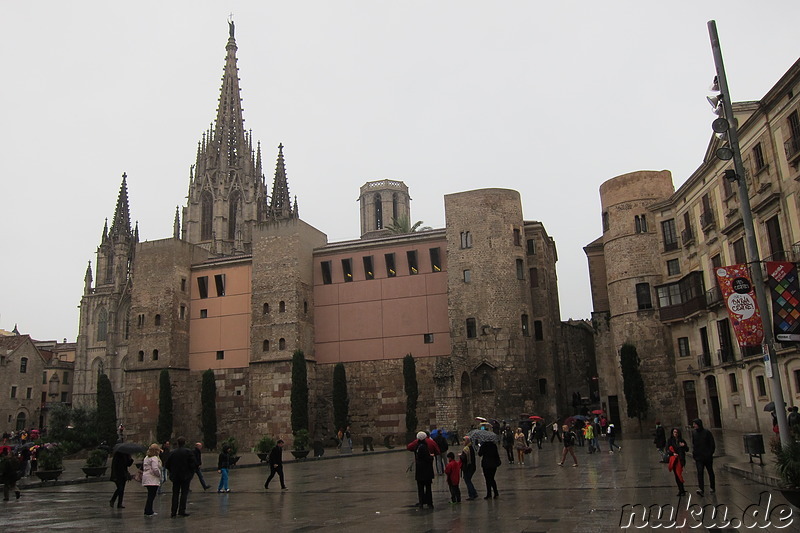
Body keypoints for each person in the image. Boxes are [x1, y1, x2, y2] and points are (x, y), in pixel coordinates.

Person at [164, 436, 195, 517]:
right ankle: (182, 510)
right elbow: (193, 464)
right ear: (184, 443)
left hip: (175, 476)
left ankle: (173, 511)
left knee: (175, 494)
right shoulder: (188, 452)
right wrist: (190, 473)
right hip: (185, 476)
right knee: (184, 493)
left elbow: (167, 464)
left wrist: (172, 472)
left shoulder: (172, 452)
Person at [407, 431, 436, 508]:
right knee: (428, 488)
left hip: (419, 470)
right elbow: (426, 458)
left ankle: (421, 502)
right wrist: (431, 457)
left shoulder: (417, 446)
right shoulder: (423, 447)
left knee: (420, 488)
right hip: (426, 470)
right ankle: (429, 503)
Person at [691, 418, 715, 496]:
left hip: (707, 457)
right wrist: (694, 454)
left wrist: (710, 454)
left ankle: (712, 487)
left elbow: (712, 444)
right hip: (699, 457)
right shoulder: (694, 433)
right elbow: (694, 444)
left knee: (710, 472)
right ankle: (701, 488)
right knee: (700, 472)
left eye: (695, 424)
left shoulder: (707, 433)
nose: (694, 426)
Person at [142, 443, 162, 516]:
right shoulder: (154, 458)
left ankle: (148, 509)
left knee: (150, 495)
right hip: (152, 479)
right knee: (151, 495)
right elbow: (155, 468)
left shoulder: (146, 457)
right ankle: (148, 510)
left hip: (147, 478)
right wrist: (159, 474)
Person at [666, 428, 688, 496]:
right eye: (674, 432)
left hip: (680, 459)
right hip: (674, 460)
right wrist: (672, 454)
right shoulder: (670, 440)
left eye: (676, 432)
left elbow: (687, 449)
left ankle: (682, 490)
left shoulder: (681, 440)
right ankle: (681, 490)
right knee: (676, 475)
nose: (675, 433)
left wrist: (683, 446)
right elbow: (667, 449)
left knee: (679, 474)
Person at [460, 435, 478, 500]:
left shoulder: (466, 449)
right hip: (472, 466)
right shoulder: (470, 447)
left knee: (467, 480)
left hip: (468, 467)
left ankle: (472, 494)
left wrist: (461, 456)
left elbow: (464, 459)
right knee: (468, 480)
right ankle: (474, 492)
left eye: (464, 440)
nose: (463, 442)